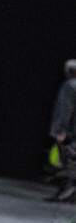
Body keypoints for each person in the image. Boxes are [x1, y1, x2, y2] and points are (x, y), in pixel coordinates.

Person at [48, 59, 76, 202]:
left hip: (69, 133)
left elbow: (65, 110)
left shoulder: (70, 86)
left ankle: (65, 193)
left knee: (66, 162)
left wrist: (60, 132)